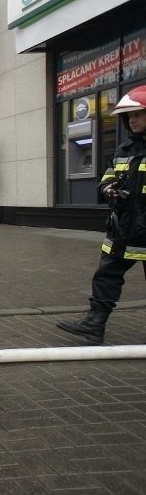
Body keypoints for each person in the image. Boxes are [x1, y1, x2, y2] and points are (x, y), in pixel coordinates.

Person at [57, 85, 146, 344]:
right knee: (106, 277)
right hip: (122, 229)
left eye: (139, 114)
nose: (132, 120)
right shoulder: (123, 150)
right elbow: (105, 180)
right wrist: (109, 189)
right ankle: (94, 325)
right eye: (129, 116)